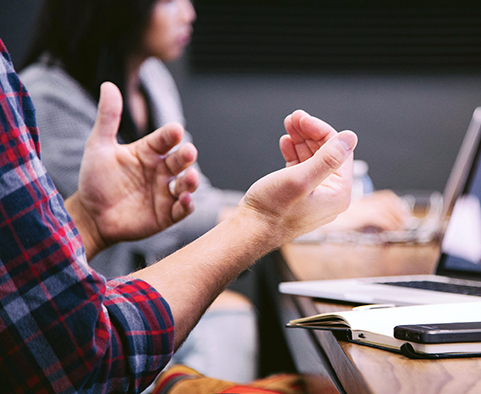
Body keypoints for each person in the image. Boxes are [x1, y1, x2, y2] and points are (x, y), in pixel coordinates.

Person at [0, 37, 358, 393]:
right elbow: (79, 359)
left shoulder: (153, 77)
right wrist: (263, 221)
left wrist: (89, 221)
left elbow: (20, 274)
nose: (188, 10)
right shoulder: (45, 94)